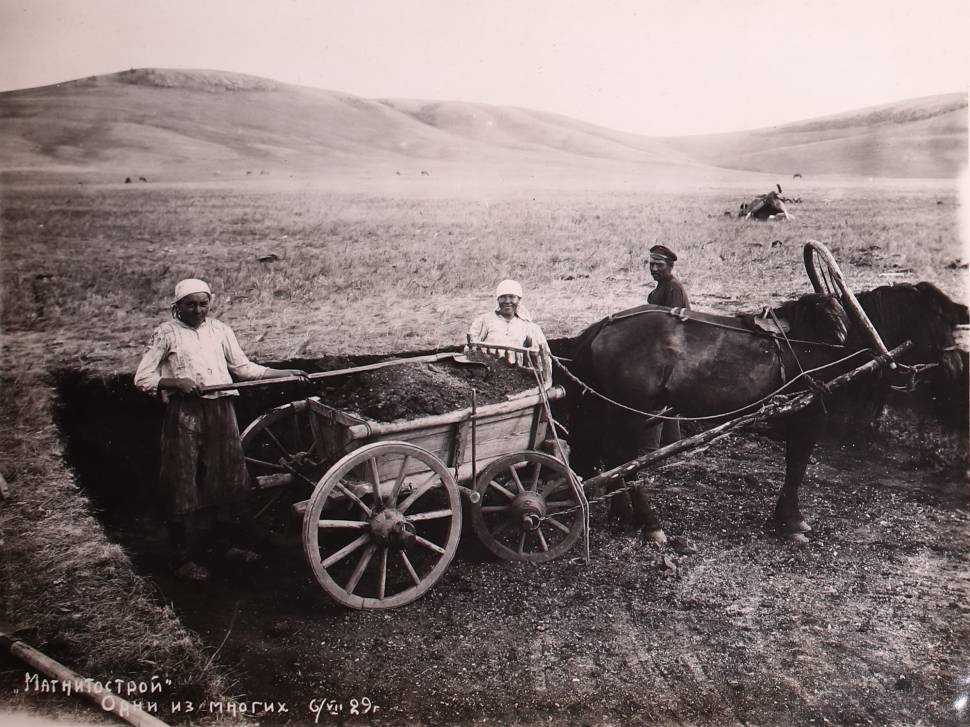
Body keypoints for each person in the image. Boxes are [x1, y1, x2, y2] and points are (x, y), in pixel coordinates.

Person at [135, 278, 308, 581]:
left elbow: (243, 368)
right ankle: (181, 559)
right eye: (190, 304)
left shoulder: (220, 330)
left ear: (210, 303)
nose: (197, 310)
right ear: (178, 306)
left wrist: (286, 372)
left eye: (203, 304)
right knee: (181, 480)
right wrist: (175, 382)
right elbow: (143, 377)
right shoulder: (166, 333)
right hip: (186, 414)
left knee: (227, 477)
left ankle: (225, 546)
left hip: (221, 410)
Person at [467, 279, 553, 385]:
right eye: (503, 297)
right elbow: (471, 349)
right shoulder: (484, 321)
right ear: (498, 299)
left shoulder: (529, 326)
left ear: (519, 299)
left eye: (512, 297)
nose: (507, 301)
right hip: (487, 377)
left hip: (517, 378)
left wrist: (540, 380)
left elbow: (543, 359)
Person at [647, 244, 690, 309]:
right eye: (652, 264)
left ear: (670, 266)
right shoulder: (663, 283)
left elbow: (672, 318)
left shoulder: (674, 287)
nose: (654, 269)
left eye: (660, 265)